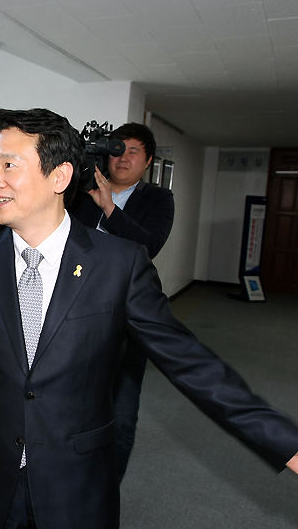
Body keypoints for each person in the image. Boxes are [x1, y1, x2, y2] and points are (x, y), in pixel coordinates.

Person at [0, 107, 298, 529]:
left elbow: (190, 361)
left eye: (9, 166)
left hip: (75, 483)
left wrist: (283, 441)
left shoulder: (119, 264)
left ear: (59, 176)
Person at [68, 122, 174, 481]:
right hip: (74, 311)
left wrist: (111, 209)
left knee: (122, 413)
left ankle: (104, 492)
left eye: (134, 152)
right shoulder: (80, 194)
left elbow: (147, 246)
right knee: (71, 405)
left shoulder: (158, 199)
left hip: (128, 316)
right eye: (118, 149)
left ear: (147, 162)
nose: (123, 158)